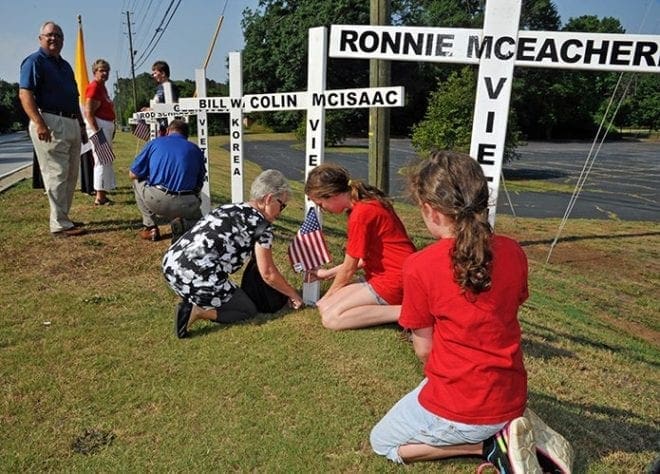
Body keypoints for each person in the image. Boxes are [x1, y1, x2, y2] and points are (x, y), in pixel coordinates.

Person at [369, 151, 541, 473]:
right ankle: (504, 430)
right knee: (424, 393)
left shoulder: (420, 266)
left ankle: (488, 446)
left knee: (382, 442)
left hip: (466, 407)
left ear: (430, 211)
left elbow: (424, 349)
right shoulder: (514, 252)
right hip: (512, 396)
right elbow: (507, 307)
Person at [162, 169, 304, 339]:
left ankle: (195, 298)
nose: (281, 212)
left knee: (221, 289)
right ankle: (198, 311)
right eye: (282, 205)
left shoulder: (228, 207)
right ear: (268, 199)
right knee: (247, 310)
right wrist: (293, 295)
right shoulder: (261, 227)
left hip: (170, 265)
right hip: (198, 276)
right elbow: (268, 273)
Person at [305, 163, 416, 331]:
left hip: (395, 280)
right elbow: (363, 260)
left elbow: (350, 268)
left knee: (331, 318)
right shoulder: (366, 203)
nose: (322, 210)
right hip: (389, 275)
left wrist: (328, 295)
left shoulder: (361, 214)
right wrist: (327, 274)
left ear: (332, 195)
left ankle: (408, 312)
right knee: (326, 309)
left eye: (320, 204)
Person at [19, 21, 87, 237]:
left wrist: (82, 124)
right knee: (56, 173)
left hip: (71, 121)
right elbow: (25, 94)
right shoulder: (33, 62)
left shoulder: (65, 66)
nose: (53, 39)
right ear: (40, 38)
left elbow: (74, 96)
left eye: (58, 35)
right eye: (49, 35)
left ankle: (64, 217)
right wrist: (39, 123)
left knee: (70, 173)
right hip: (49, 120)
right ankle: (58, 225)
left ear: (63, 40)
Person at [128, 119, 205, 242]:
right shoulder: (196, 149)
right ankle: (187, 225)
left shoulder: (155, 143)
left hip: (158, 200)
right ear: (186, 135)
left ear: (168, 130)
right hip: (188, 204)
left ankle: (150, 227)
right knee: (200, 225)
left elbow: (132, 174)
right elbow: (200, 182)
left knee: (137, 181)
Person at [84, 59, 116, 206]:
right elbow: (88, 112)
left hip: (106, 126)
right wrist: (97, 132)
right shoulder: (94, 87)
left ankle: (104, 191)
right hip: (99, 127)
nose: (105, 73)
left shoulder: (102, 88)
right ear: (95, 72)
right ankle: (100, 196)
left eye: (106, 70)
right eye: (101, 70)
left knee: (106, 160)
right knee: (102, 161)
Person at [149, 60, 178, 135]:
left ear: (163, 73)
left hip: (169, 126)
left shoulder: (171, 86)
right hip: (161, 125)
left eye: (155, 73)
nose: (153, 75)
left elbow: (174, 105)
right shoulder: (159, 88)